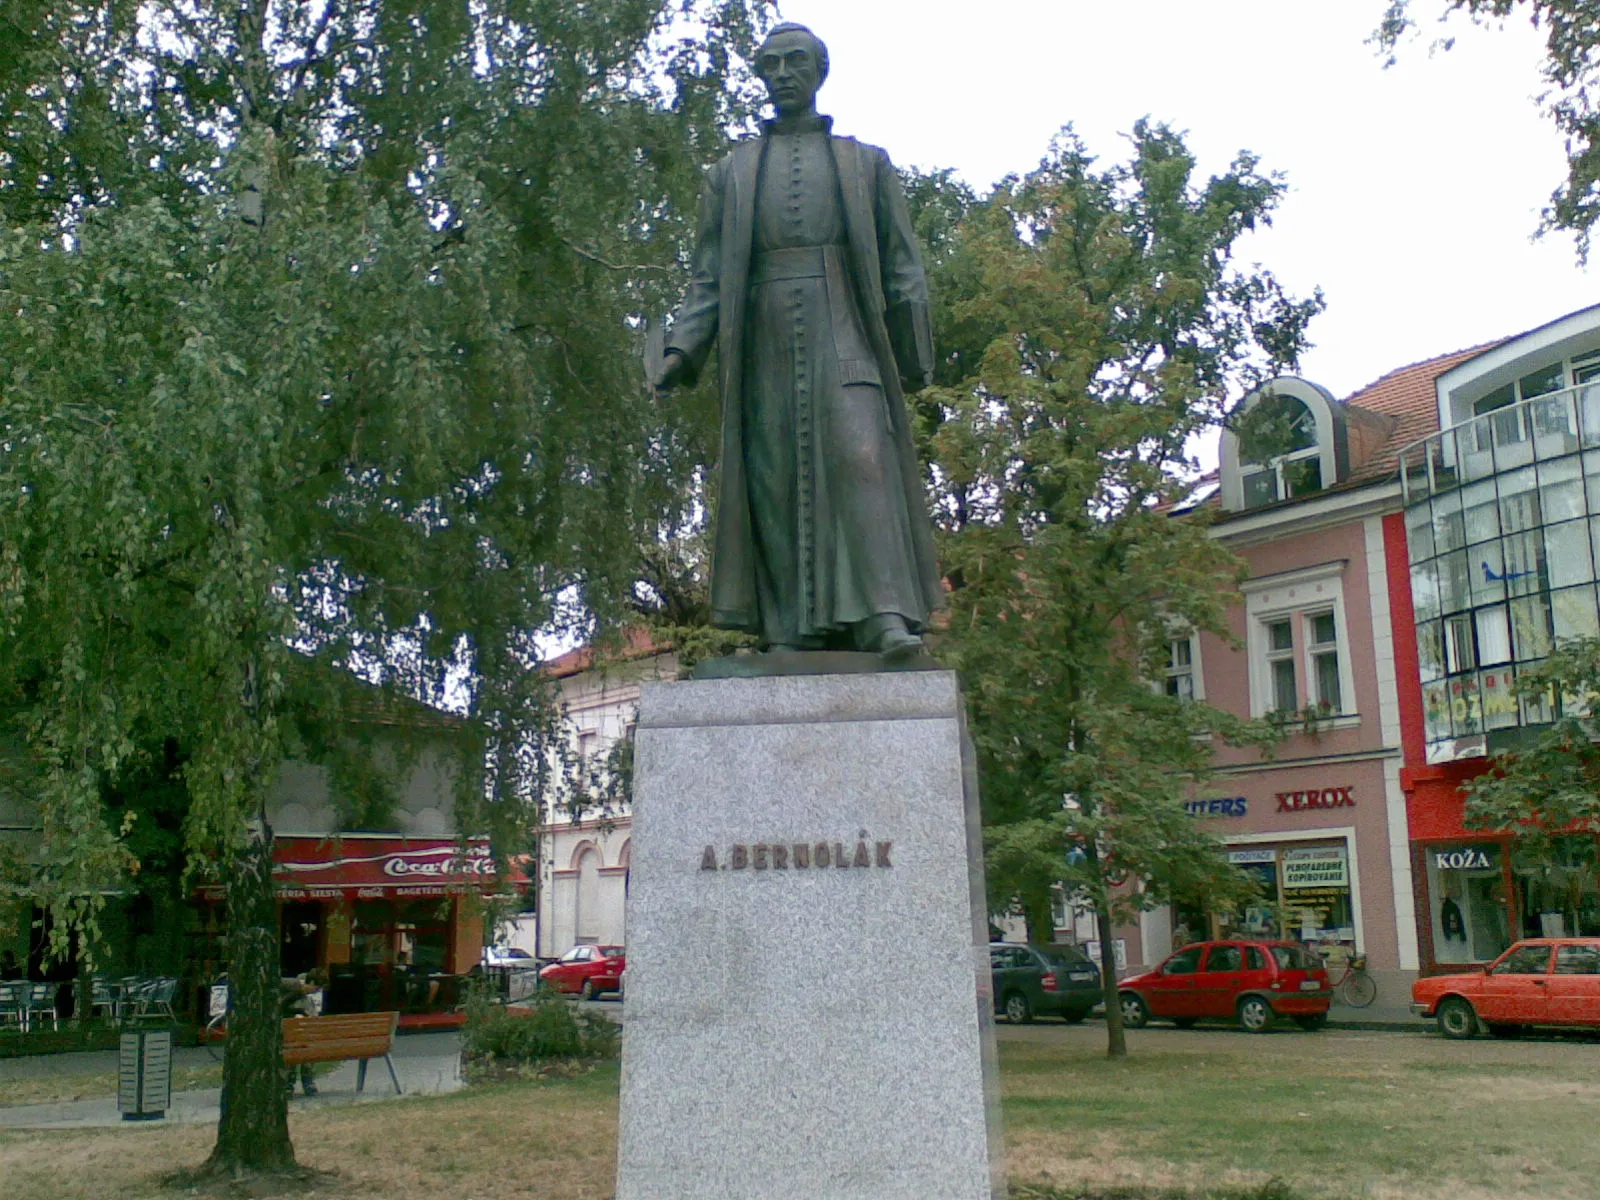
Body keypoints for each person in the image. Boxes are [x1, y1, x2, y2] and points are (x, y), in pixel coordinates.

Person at [652, 22, 944, 660]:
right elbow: (706, 275)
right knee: (774, 477)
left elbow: (903, 263)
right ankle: (788, 629)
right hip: (762, 337)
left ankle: (886, 618)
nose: (783, 73)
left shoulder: (865, 163)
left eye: (796, 62)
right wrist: (682, 349)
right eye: (771, 64)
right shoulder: (729, 173)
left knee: (862, 457)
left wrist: (914, 348)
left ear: (819, 70)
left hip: (844, 321)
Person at [281, 970, 325, 1096]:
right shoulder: (296, 990)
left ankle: (289, 1083)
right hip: (296, 1034)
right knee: (302, 1044)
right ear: (310, 982)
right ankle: (308, 1081)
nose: (316, 992)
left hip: (292, 1035)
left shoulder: (302, 997)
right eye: (316, 988)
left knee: (296, 1044)